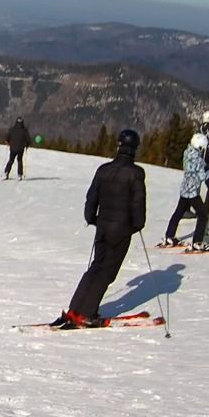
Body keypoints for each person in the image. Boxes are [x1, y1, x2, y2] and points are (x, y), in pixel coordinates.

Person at [53, 129, 147, 329]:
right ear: (134, 149)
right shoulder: (136, 173)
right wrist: (137, 225)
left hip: (102, 227)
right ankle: (87, 313)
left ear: (119, 145)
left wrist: (92, 218)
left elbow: (91, 197)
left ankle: (75, 308)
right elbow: (138, 204)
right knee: (107, 272)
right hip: (121, 230)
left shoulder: (104, 169)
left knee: (96, 267)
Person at [160, 133, 209, 250]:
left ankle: (169, 235)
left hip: (184, 189)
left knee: (178, 213)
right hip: (193, 192)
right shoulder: (198, 160)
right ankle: (197, 242)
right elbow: (203, 176)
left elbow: (194, 168)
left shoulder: (187, 152)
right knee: (202, 216)